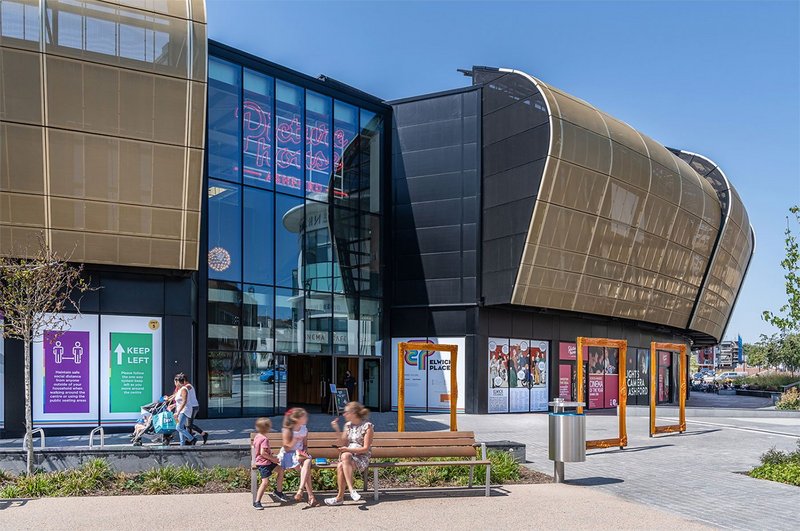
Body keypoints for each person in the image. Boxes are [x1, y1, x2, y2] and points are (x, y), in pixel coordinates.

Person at [324, 401, 374, 506]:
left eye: (346, 412)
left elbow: (365, 449)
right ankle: (349, 493)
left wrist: (348, 450)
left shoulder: (367, 426)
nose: (344, 414)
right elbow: (343, 443)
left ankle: (343, 495)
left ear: (354, 413)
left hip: (361, 458)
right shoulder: (348, 425)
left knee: (343, 461)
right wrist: (337, 429)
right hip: (348, 457)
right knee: (342, 462)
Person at [277, 408, 317, 506]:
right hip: (288, 456)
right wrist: (294, 441)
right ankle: (310, 497)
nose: (307, 418)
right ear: (298, 418)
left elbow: (305, 445)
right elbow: (286, 448)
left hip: (300, 455)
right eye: (304, 416)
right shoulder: (287, 429)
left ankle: (301, 491)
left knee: (307, 462)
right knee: (306, 470)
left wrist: (303, 453)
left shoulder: (304, 429)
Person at [252, 417, 287, 509]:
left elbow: (259, 450)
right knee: (265, 482)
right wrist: (273, 459)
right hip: (264, 463)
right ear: (267, 428)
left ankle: (278, 492)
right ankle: (257, 501)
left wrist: (270, 455)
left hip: (266, 462)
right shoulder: (264, 439)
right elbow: (262, 453)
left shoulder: (257, 436)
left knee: (281, 470)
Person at [172, 373, 196, 446]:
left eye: (175, 382)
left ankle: (192, 439)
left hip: (184, 410)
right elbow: (177, 399)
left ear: (178, 381)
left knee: (178, 427)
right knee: (181, 427)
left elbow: (184, 401)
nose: (175, 383)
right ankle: (182, 444)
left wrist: (178, 412)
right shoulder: (179, 390)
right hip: (180, 410)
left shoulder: (184, 389)